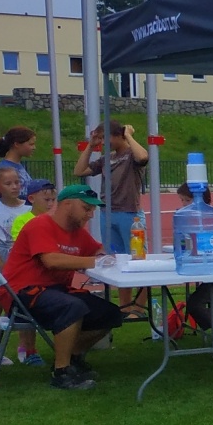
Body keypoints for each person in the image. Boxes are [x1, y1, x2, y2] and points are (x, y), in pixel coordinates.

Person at [3, 183, 126, 391]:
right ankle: (61, 372)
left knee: (110, 313)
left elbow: (97, 251)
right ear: (68, 204)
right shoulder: (40, 225)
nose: (91, 215)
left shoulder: (77, 231)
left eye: (92, 209)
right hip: (22, 292)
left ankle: (73, 357)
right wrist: (96, 262)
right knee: (72, 307)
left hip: (54, 289)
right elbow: (51, 260)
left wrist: (101, 257)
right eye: (86, 208)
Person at [74, 121, 149, 320]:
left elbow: (143, 157)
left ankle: (139, 308)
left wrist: (129, 135)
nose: (103, 142)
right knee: (118, 262)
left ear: (118, 135)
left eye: (104, 137)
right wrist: (91, 145)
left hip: (129, 214)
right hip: (108, 214)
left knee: (138, 261)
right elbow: (79, 171)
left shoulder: (131, 155)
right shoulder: (108, 158)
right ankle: (125, 306)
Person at [0, 166, 40, 367]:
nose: (15, 187)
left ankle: (27, 347)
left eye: (17, 182)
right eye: (8, 183)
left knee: (27, 302)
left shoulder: (28, 209)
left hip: (23, 260)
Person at [175, 183, 213, 359]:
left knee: (195, 303)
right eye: (182, 200)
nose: (184, 204)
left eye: (187, 200)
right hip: (205, 268)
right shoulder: (188, 219)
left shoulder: (210, 216)